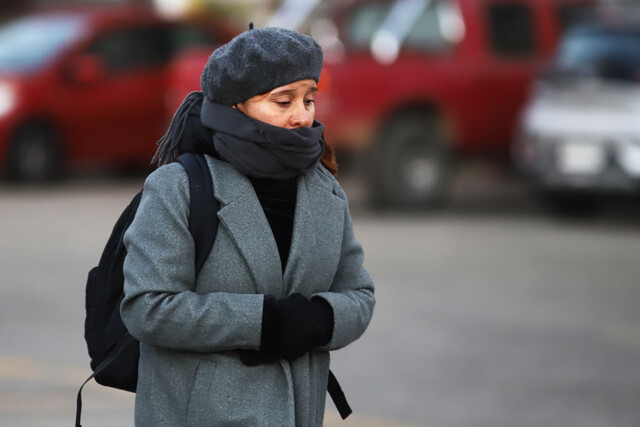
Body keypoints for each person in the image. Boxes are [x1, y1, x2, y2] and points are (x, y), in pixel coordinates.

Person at [120, 25, 375, 426]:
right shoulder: (180, 187)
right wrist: (264, 322)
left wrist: (320, 318)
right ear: (235, 106)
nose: (301, 116)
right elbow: (147, 307)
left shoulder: (324, 188)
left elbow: (359, 294)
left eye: (309, 99)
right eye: (283, 101)